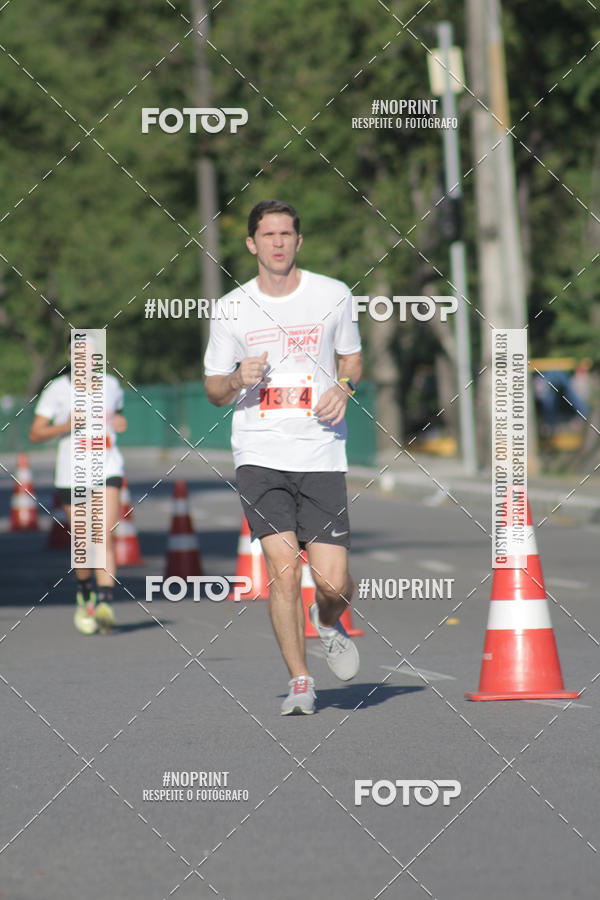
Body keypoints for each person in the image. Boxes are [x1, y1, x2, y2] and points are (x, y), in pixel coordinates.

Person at [204, 199, 363, 715]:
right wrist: (235, 379)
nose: (276, 242)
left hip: (320, 451)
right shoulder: (231, 307)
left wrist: (345, 386)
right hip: (260, 451)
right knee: (282, 569)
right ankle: (300, 680)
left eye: (286, 234)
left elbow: (352, 358)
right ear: (251, 244)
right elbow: (212, 388)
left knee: (334, 580)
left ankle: (328, 617)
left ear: (299, 241)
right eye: (267, 235)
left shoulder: (333, 295)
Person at [29, 337, 127, 635]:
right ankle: (86, 593)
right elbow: (35, 433)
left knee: (105, 535)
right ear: (70, 355)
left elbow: (118, 414)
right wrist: (65, 425)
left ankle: (106, 604)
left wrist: (120, 422)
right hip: (72, 473)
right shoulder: (57, 390)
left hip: (108, 467)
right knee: (83, 542)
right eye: (80, 354)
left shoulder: (110, 385)